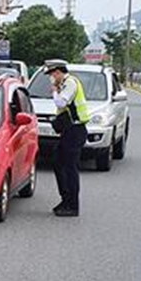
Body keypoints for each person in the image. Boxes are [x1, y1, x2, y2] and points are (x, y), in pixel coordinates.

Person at [44, 59, 90, 217]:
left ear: (57, 72)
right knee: (58, 162)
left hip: (76, 131)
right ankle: (65, 198)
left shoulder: (70, 83)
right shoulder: (64, 84)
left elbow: (61, 102)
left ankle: (72, 205)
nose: (50, 77)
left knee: (70, 168)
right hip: (69, 131)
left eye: (51, 74)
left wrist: (54, 91)